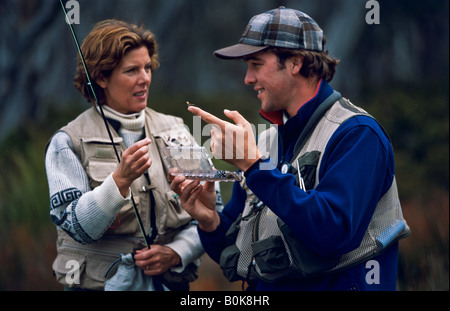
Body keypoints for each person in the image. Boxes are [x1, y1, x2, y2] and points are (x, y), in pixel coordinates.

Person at [170, 7, 410, 291]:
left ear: (295, 62)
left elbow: (333, 235)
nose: (247, 78)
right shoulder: (263, 144)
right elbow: (237, 251)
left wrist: (256, 167)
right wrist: (209, 220)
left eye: (256, 64)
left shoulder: (358, 134)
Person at [45, 19, 222, 291]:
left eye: (148, 67)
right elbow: (77, 228)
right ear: (101, 78)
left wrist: (178, 252)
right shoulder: (66, 142)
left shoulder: (178, 130)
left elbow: (213, 212)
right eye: (132, 70)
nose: (145, 79)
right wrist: (119, 181)